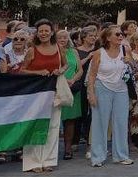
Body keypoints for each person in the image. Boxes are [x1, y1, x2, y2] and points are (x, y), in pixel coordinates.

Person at [20, 20, 66, 173]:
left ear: (52, 32)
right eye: (41, 31)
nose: (44, 33)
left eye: (47, 30)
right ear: (37, 33)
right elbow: (22, 70)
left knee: (53, 126)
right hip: (35, 93)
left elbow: (65, 64)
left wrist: (61, 70)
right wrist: (37, 72)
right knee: (34, 125)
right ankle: (33, 162)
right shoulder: (32, 50)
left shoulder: (59, 48)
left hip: (54, 91)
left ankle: (49, 160)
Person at [86, 26, 133, 167]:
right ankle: (98, 157)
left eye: (121, 34)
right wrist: (91, 94)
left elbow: (134, 68)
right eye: (117, 34)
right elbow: (91, 75)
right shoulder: (99, 53)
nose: (121, 36)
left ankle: (121, 155)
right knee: (100, 122)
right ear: (108, 38)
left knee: (121, 122)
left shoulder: (125, 50)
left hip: (121, 89)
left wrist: (130, 61)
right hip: (102, 88)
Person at [56, 29, 83, 161]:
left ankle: (68, 148)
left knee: (70, 120)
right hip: (56, 87)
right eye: (60, 37)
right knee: (55, 119)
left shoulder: (74, 51)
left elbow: (80, 70)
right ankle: (52, 149)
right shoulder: (53, 51)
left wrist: (73, 80)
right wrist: (62, 80)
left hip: (72, 88)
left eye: (65, 37)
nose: (62, 40)